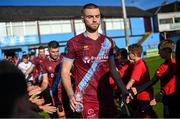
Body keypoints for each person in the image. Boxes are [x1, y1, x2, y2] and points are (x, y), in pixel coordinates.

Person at [61, 3, 128, 118]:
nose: (94, 20)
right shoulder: (73, 43)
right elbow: (65, 72)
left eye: (97, 16)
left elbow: (113, 70)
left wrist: (124, 90)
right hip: (86, 99)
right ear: (83, 19)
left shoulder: (109, 42)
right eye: (90, 17)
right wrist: (71, 95)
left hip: (107, 97)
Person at [126, 43, 156, 118]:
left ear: (134, 54)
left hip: (143, 95)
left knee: (144, 115)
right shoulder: (139, 62)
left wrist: (125, 92)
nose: (128, 54)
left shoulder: (138, 65)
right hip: (143, 93)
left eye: (129, 52)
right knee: (147, 112)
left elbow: (131, 81)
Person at [40, 40, 65, 118]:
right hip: (54, 93)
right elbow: (45, 82)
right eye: (53, 52)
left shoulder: (64, 59)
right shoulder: (44, 63)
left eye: (57, 51)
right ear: (48, 50)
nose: (56, 54)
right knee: (56, 116)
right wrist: (38, 91)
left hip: (65, 92)